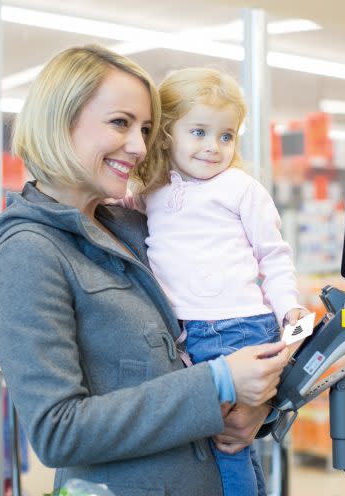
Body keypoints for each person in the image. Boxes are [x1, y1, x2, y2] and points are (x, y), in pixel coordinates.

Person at [0, 45, 291, 495]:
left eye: (146, 128)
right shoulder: (27, 251)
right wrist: (218, 382)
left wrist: (255, 405)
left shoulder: (133, 225)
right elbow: (57, 430)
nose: (140, 146)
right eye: (120, 123)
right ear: (59, 120)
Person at [114, 67, 309, 496]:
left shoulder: (241, 188)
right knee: (224, 443)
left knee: (227, 442)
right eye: (199, 132)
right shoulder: (150, 190)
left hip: (236, 328)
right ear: (166, 133)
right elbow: (115, 204)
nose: (213, 147)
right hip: (185, 332)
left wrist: (288, 307)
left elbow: (273, 257)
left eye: (226, 136)